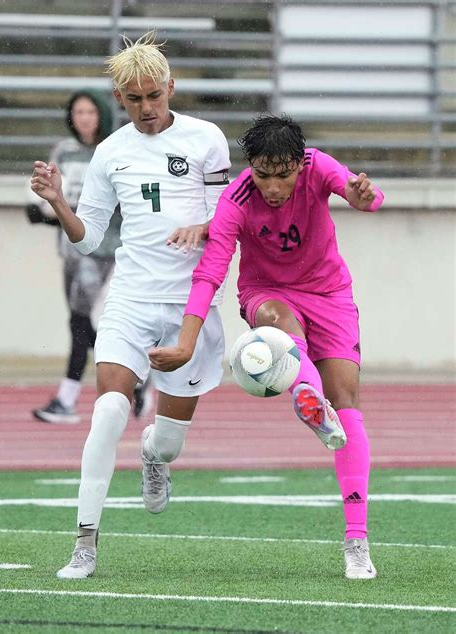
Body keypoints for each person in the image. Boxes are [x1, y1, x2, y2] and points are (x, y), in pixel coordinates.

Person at [149, 114, 385, 580]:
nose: (272, 187)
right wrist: (185, 342)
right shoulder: (237, 199)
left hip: (331, 293)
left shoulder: (319, 167)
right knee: (280, 324)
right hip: (267, 295)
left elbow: (366, 197)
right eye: (262, 175)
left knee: (349, 401)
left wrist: (366, 197)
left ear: (300, 164)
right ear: (250, 168)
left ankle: (356, 542)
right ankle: (309, 398)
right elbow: (210, 274)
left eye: (283, 174)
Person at [30, 32, 230, 579]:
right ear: (119, 97)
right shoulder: (110, 153)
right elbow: (90, 238)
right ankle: (85, 543)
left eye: (153, 96)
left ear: (171, 87)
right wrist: (59, 204)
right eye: (134, 99)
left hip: (190, 305)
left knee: (167, 442)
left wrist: (203, 225)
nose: (146, 108)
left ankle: (153, 458)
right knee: (109, 409)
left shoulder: (207, 139)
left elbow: (227, 222)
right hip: (132, 299)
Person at [27, 90, 152, 423]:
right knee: (83, 324)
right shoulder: (64, 152)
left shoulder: (112, 151)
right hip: (70, 249)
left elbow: (107, 209)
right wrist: (43, 207)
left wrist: (54, 214)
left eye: (90, 111)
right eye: (78, 111)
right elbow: (58, 198)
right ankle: (137, 377)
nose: (84, 118)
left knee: (81, 323)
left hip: (102, 249)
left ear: (103, 115)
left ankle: (68, 399)